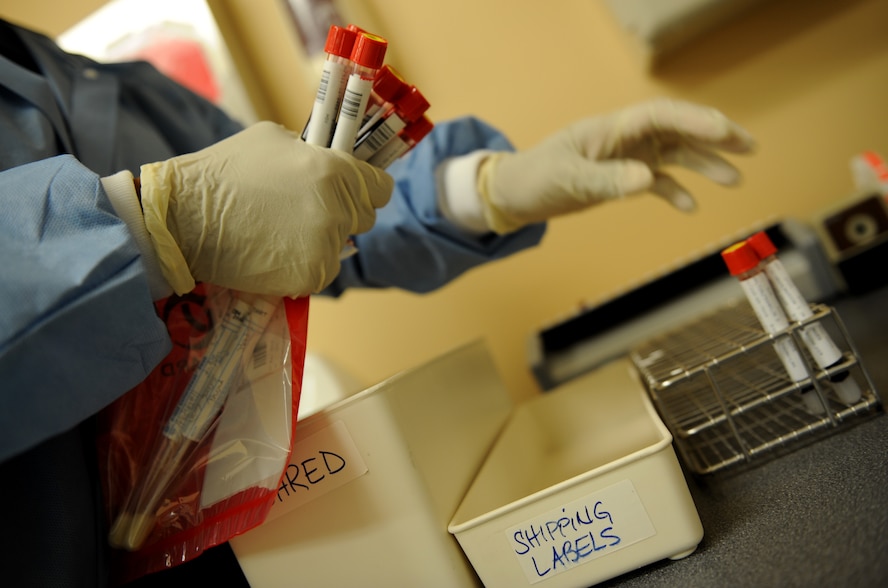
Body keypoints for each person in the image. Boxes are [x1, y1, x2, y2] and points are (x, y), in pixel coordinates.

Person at [0, 16, 755, 587]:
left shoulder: (84, 79)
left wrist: (482, 189)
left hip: (221, 546)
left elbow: (310, 208)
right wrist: (147, 222)